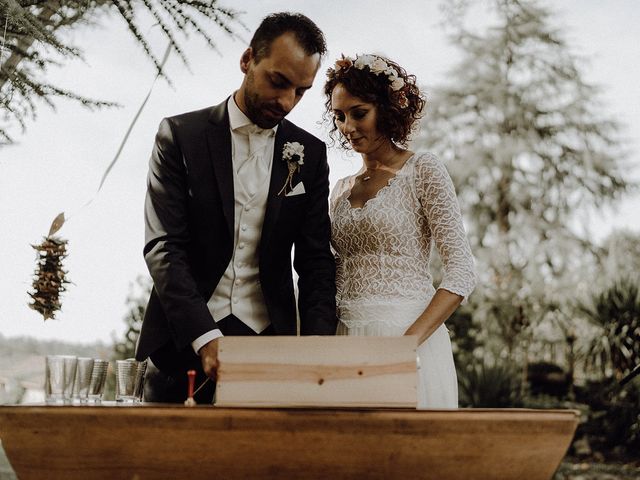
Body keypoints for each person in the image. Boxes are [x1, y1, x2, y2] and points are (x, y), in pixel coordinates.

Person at [136, 13, 337, 403]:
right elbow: (164, 246)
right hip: (182, 345)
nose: (286, 102)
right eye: (278, 82)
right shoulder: (180, 136)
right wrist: (205, 337)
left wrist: (316, 350)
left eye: (300, 91)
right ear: (247, 60)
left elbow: (315, 261)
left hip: (268, 348)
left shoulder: (309, 154)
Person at [325, 54, 476, 408]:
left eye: (358, 113)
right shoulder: (340, 188)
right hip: (345, 338)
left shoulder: (422, 170)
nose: (347, 127)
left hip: (408, 339)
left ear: (388, 109)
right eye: (339, 116)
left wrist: (406, 346)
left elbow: (462, 271)